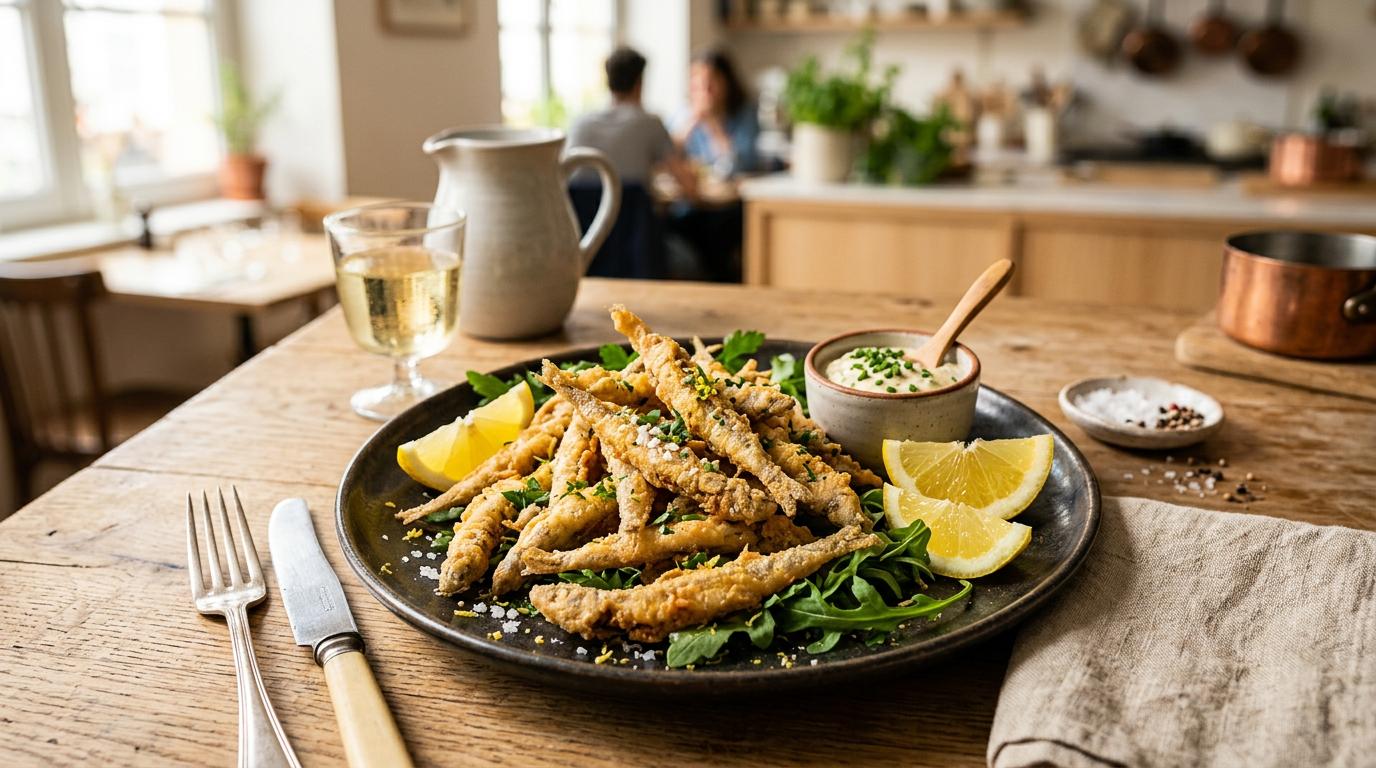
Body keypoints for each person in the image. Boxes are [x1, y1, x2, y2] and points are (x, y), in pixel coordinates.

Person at [566, 47, 697, 196]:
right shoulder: (650, 124)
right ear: (639, 83)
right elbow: (688, 185)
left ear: (608, 82)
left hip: (586, 219)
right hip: (636, 218)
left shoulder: (579, 124)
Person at [675, 49, 760, 178]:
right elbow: (667, 157)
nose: (704, 91)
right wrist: (692, 122)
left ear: (727, 82)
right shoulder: (682, 114)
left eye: (710, 82)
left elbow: (741, 164)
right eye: (697, 84)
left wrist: (712, 124)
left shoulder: (745, 114)